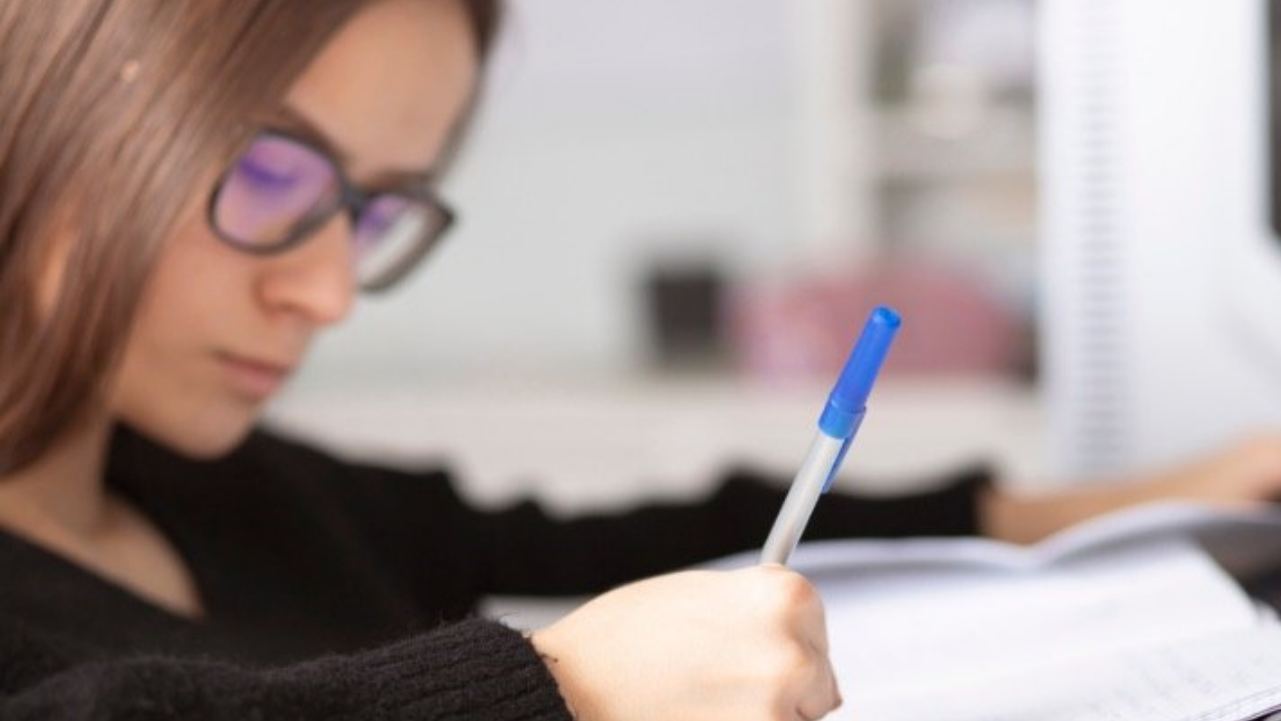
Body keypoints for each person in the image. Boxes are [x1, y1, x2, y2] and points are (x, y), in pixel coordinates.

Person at [3, 1, 1281, 719]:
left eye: (377, 210)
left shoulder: (242, 490)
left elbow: (632, 542)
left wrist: (1089, 507)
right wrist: (562, 689)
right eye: (271, 174)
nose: (329, 290)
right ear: (50, 96)